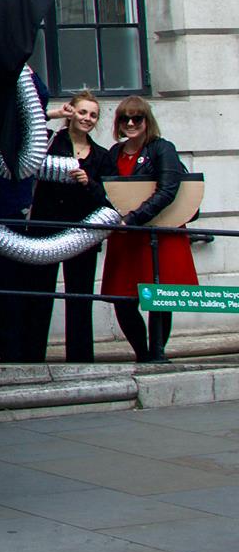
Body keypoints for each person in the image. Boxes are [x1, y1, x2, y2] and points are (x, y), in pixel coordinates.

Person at [0, 90, 114, 363]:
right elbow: (13, 134)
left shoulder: (102, 156)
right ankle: (32, 355)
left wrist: (89, 182)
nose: (87, 118)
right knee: (39, 295)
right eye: (82, 112)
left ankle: (81, 358)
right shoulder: (47, 143)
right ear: (71, 112)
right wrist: (52, 114)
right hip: (44, 229)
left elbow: (108, 200)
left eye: (93, 115)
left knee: (80, 297)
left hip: (83, 234)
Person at [102, 97, 196, 362]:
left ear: (147, 121)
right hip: (125, 236)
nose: (130, 124)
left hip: (157, 232)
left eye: (137, 118)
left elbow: (167, 190)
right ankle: (142, 354)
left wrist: (133, 218)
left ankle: (157, 353)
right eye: (124, 119)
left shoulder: (161, 148)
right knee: (123, 297)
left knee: (159, 296)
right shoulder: (113, 153)